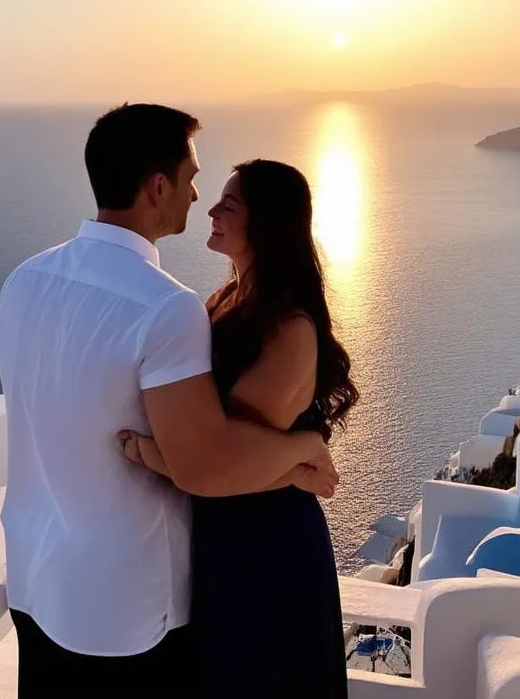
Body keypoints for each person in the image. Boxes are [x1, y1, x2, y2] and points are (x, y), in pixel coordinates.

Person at [0, 105, 337, 698]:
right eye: (191, 177)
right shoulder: (166, 306)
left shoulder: (25, 278)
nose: (199, 196)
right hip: (126, 604)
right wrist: (307, 447)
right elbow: (205, 463)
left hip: (37, 578)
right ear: (158, 186)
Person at [121, 158, 358, 698]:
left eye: (230, 205)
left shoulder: (289, 328)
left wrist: (146, 453)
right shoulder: (227, 301)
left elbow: (227, 462)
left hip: (267, 545)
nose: (212, 210)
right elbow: (237, 453)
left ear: (266, 223)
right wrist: (302, 454)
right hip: (229, 532)